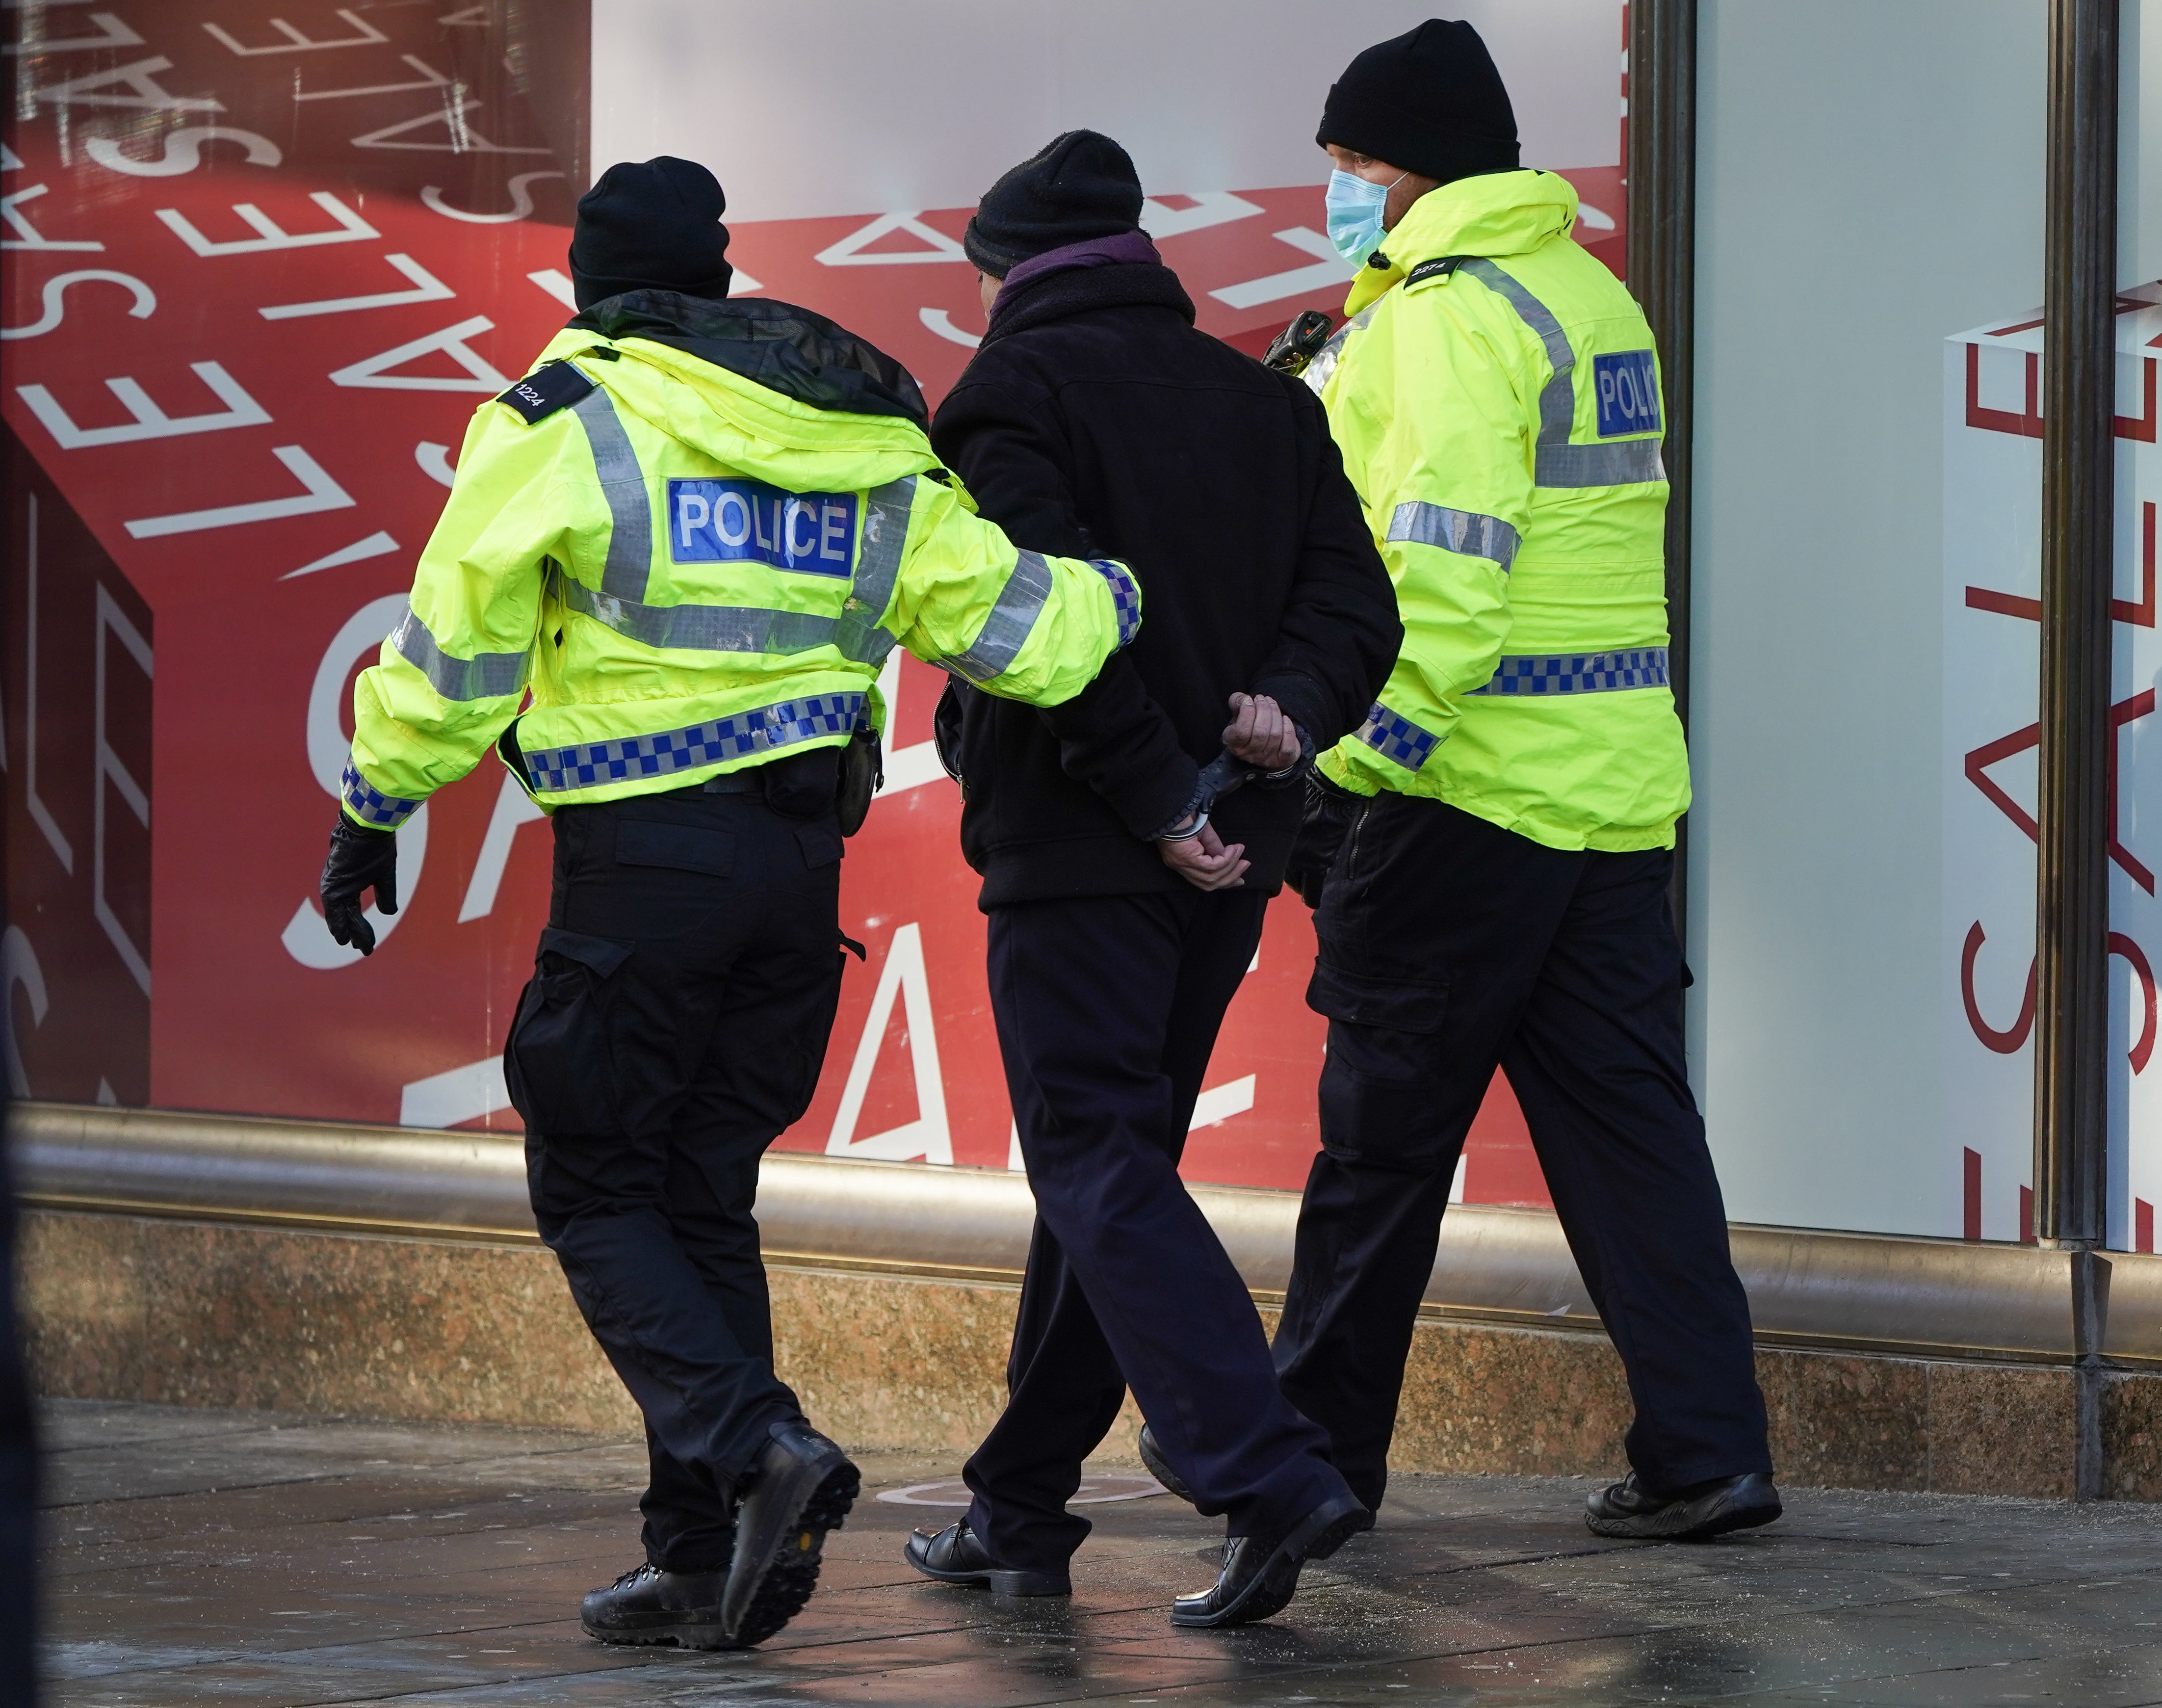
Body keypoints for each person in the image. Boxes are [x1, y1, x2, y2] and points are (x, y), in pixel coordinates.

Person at [315, 157, 1142, 1651]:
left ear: (591, 284)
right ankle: (695, 1558)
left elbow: (451, 663)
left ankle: (760, 1448)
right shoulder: (855, 425)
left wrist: (375, 806)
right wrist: (1143, 594)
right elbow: (1013, 622)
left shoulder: (564, 419)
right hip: (794, 886)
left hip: (644, 876)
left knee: (590, 1179)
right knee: (699, 1193)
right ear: (716, 278)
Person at [1234, 19, 1782, 1544]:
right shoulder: (1589, 296)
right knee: (1632, 1135)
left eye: (1350, 164)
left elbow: (1441, 582)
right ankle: (1708, 1448)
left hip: (1465, 796)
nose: (1341, 190)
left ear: (1406, 165)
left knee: (1382, 1149)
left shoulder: (1438, 320)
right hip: (1610, 793)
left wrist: (1350, 766)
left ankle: (1311, 1465)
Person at [899, 130, 1401, 1628]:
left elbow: (1037, 632)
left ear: (1010, 276)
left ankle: (1264, 1470)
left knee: (1093, 1155)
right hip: (1231, 842)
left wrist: (1149, 792)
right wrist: (1290, 707)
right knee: (1105, 1161)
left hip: (1087, 842)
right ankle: (1021, 1502)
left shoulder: (1007, 398)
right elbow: (1355, 605)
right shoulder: (1264, 400)